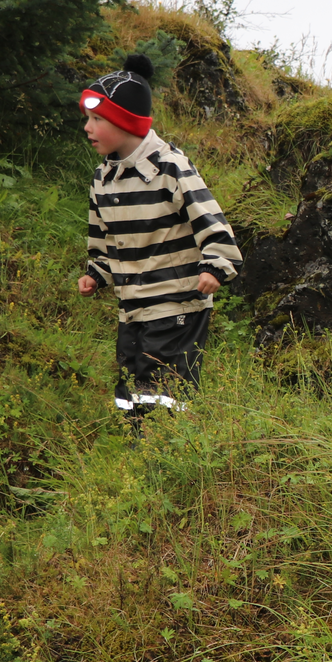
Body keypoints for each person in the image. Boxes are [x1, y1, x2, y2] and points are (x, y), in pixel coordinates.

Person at [76, 54, 242, 421]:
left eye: (97, 119)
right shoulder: (103, 179)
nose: (88, 127)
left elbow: (210, 219)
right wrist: (97, 273)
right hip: (132, 306)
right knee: (130, 385)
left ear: (126, 122)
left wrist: (216, 265)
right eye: (87, 118)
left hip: (176, 303)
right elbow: (104, 237)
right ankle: (137, 446)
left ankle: (167, 447)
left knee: (164, 391)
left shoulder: (170, 167)